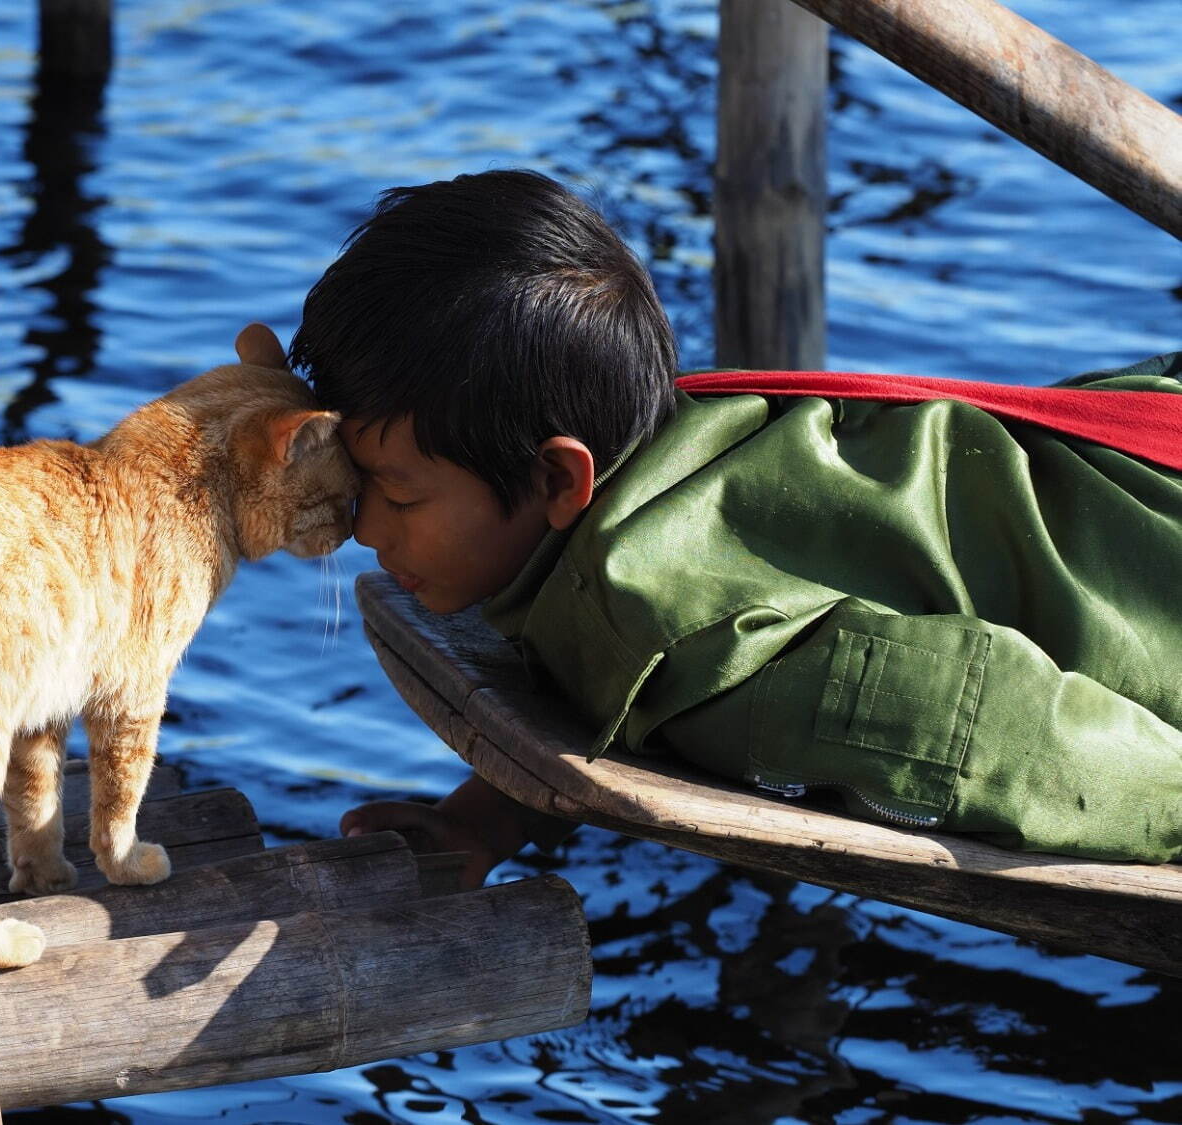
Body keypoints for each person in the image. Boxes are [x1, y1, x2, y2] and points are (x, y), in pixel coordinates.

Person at [287, 168, 1182, 889]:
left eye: (397, 497)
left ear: (561, 477)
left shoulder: (695, 651)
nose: (360, 527)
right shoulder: (678, 427)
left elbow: (1007, 738)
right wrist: (480, 820)